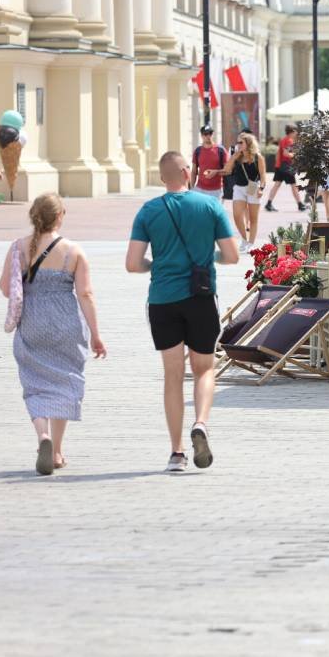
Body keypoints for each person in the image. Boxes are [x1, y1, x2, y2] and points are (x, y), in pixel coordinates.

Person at [127, 151, 239, 472]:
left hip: (163, 299)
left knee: (172, 375)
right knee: (204, 369)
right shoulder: (209, 206)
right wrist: (206, 261)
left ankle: (176, 453)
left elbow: (133, 263)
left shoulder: (148, 211)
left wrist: (157, 264)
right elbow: (231, 256)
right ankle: (201, 423)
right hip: (201, 298)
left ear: (163, 178)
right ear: (188, 172)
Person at [0, 194, 106, 475]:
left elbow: (5, 288)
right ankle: (57, 451)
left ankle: (42, 436)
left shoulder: (18, 248)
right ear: (61, 216)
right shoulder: (73, 251)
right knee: (65, 382)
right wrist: (96, 334)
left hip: (32, 323)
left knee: (34, 384)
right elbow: (85, 294)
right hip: (66, 324)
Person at [214, 132, 266, 252]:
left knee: (253, 218)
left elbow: (263, 175)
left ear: (248, 144)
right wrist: (234, 157)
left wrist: (261, 188)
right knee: (237, 215)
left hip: (253, 186)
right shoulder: (237, 156)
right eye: (237, 142)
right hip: (239, 188)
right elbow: (227, 170)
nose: (238, 144)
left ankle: (251, 243)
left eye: (240, 142)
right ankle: (244, 239)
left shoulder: (258, 157)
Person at [263, 124, 304, 213]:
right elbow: (286, 153)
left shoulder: (283, 140)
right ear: (292, 131)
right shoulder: (289, 141)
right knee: (293, 185)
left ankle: (269, 203)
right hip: (287, 166)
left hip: (280, 166)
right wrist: (295, 156)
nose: (297, 132)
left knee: (277, 185)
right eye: (296, 131)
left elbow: (279, 153)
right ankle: (300, 204)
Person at [191, 125, 228, 199]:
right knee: (200, 211)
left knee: (213, 211)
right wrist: (192, 188)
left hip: (216, 190)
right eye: (205, 134)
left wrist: (216, 172)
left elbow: (227, 170)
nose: (208, 136)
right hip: (200, 189)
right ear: (201, 136)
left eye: (210, 133)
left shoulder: (221, 150)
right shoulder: (197, 151)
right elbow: (194, 171)